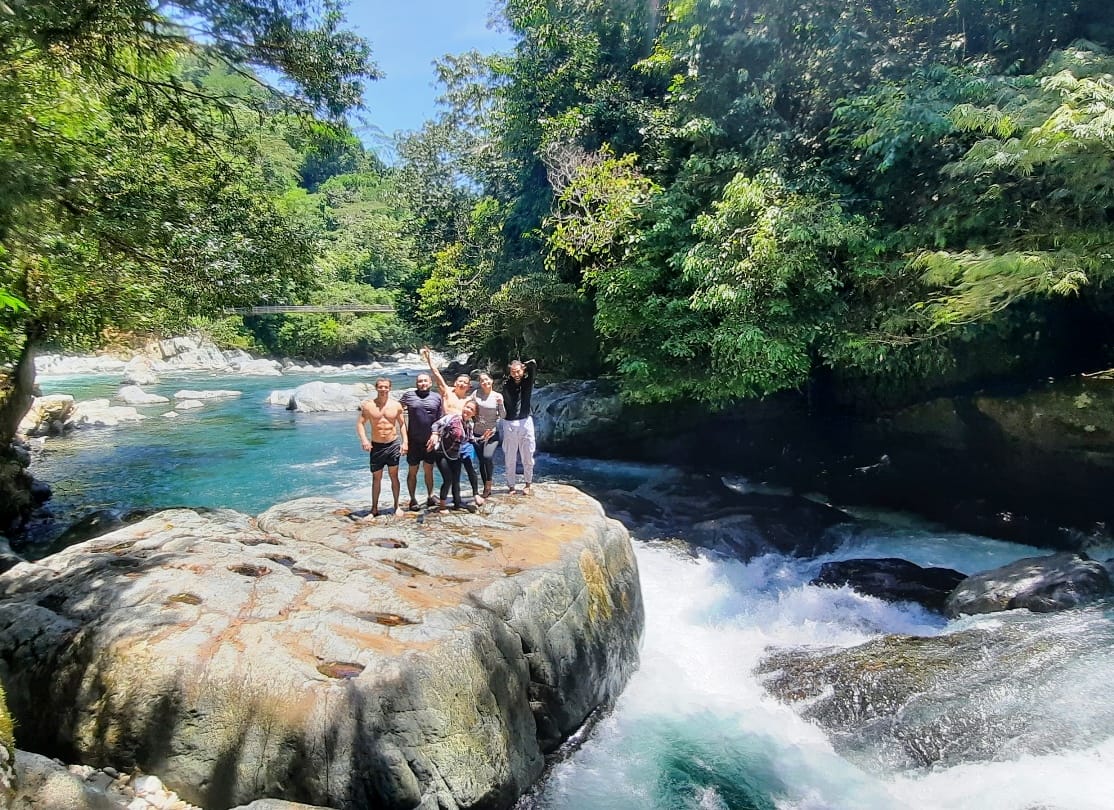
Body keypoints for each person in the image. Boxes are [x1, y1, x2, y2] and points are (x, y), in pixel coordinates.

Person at [356, 377, 406, 517]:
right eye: (381, 387)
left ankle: (396, 506)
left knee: (394, 476)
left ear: (390, 388)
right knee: (376, 478)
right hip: (376, 446)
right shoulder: (369, 406)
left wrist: (405, 442)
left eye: (386, 387)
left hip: (393, 444)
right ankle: (374, 509)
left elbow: (402, 424)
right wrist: (364, 440)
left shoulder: (396, 405)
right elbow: (360, 423)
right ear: (376, 388)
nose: (383, 389)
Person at [427, 400, 483, 510]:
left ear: (474, 414)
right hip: (442, 453)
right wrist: (434, 434)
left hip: (455, 455)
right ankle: (442, 506)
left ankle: (457, 502)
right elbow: (436, 424)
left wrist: (482, 439)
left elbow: (470, 439)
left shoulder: (469, 425)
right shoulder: (452, 418)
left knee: (456, 480)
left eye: (471, 409)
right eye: (467, 407)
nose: (468, 410)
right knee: (448, 479)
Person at [399, 370, 443, 510]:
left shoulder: (437, 397)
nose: (423, 383)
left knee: (429, 469)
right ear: (416, 383)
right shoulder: (408, 396)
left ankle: (430, 496)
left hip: (430, 440)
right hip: (413, 440)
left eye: (425, 381)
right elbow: (396, 411)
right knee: (413, 470)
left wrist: (437, 435)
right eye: (420, 381)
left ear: (430, 383)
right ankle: (412, 499)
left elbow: (440, 419)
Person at [501, 358, 537, 495]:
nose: (516, 374)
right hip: (509, 422)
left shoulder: (528, 382)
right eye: (513, 372)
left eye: (518, 371)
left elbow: (533, 364)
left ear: (523, 371)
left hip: (525, 421)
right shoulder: (506, 383)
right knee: (510, 456)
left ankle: (528, 484)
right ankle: (511, 486)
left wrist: (524, 365)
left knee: (528, 454)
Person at [468, 372, 505, 499]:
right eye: (482, 380)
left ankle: (489, 483)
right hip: (477, 433)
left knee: (487, 457)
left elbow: (503, 415)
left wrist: (501, 404)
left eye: (487, 380)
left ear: (492, 381)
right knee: (481, 462)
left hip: (491, 434)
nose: (485, 382)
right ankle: (485, 487)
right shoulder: (475, 394)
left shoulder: (497, 396)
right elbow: (468, 407)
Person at [422, 346, 472, 414]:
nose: (462, 384)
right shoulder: (447, 392)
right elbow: (436, 374)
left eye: (465, 382)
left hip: (461, 423)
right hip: (446, 422)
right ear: (455, 383)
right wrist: (428, 358)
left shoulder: (469, 400)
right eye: (460, 381)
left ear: (469, 386)